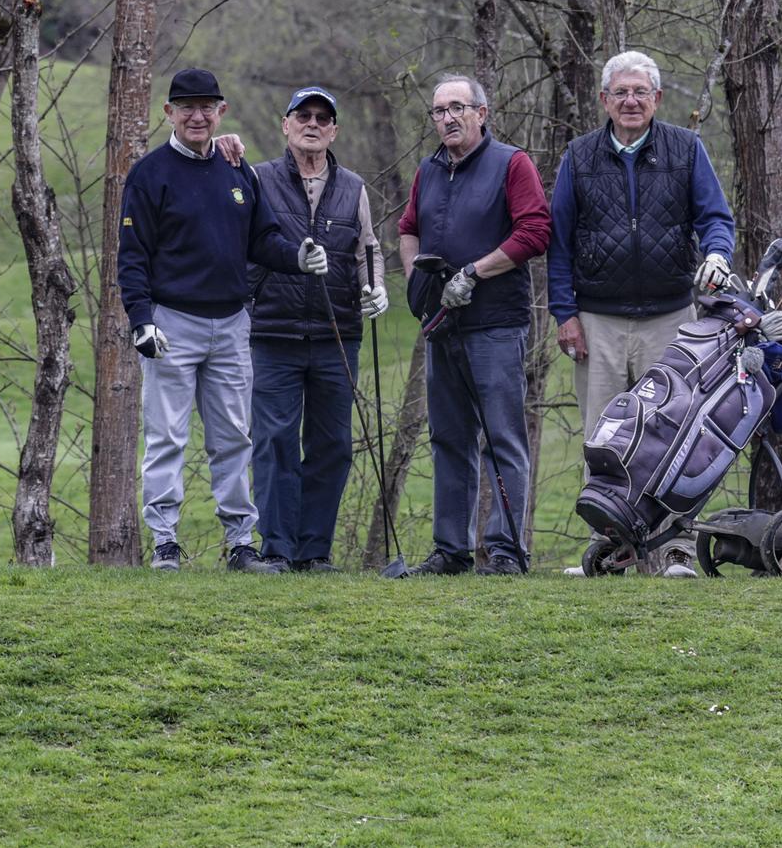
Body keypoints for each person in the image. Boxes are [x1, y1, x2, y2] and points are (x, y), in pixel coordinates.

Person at [117, 68, 329, 573]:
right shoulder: (150, 174)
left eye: (206, 106)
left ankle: (240, 543)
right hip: (171, 324)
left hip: (232, 325)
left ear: (221, 111)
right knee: (166, 435)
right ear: (168, 113)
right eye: (186, 106)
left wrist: (297, 257)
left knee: (234, 436)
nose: (197, 115)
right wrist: (141, 319)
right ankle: (165, 544)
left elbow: (263, 240)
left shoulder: (239, 172)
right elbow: (132, 256)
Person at [548, 48, 738, 459]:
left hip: (671, 321)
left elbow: (716, 218)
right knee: (603, 442)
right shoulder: (579, 156)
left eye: (640, 91)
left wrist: (718, 255)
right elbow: (558, 242)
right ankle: (605, 527)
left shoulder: (686, 150)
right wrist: (565, 314)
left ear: (657, 97)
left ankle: (673, 527)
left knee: (673, 439)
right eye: (620, 92)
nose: (630, 101)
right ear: (604, 100)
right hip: (598, 325)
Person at [397, 73, 552, 575]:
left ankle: (505, 551)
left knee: (502, 437)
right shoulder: (429, 169)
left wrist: (475, 272)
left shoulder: (512, 163)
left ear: (481, 113)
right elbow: (407, 231)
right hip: (442, 325)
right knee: (449, 436)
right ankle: (451, 551)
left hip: (495, 324)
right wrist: (417, 285)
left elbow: (535, 231)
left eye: (457, 108)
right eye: (439, 111)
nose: (447, 118)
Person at [247, 86, 389, 573]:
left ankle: (314, 551)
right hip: (273, 333)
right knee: (275, 443)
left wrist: (375, 287)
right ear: (284, 125)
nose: (312, 124)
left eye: (322, 118)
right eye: (302, 115)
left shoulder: (353, 186)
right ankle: (278, 550)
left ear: (334, 131)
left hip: (337, 335)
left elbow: (367, 248)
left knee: (332, 445)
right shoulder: (258, 179)